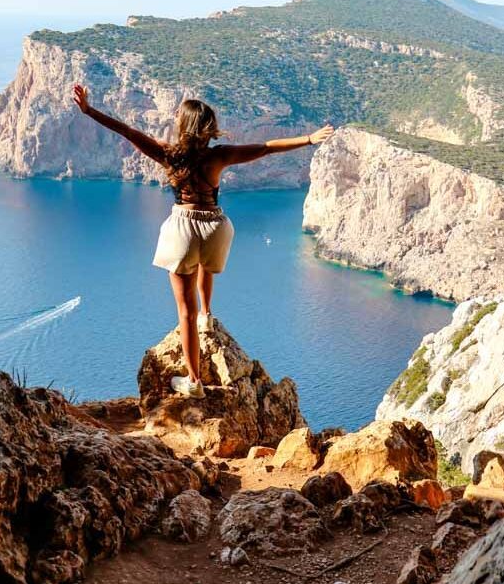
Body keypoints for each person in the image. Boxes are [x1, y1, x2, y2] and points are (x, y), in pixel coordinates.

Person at [72, 84, 334, 398]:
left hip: (182, 227)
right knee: (206, 266)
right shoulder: (220, 157)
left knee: (184, 310)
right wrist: (307, 139)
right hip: (215, 227)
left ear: (183, 126)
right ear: (208, 128)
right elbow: (266, 147)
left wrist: (89, 111)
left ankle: (193, 382)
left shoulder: (167, 154)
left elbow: (126, 131)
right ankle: (207, 316)